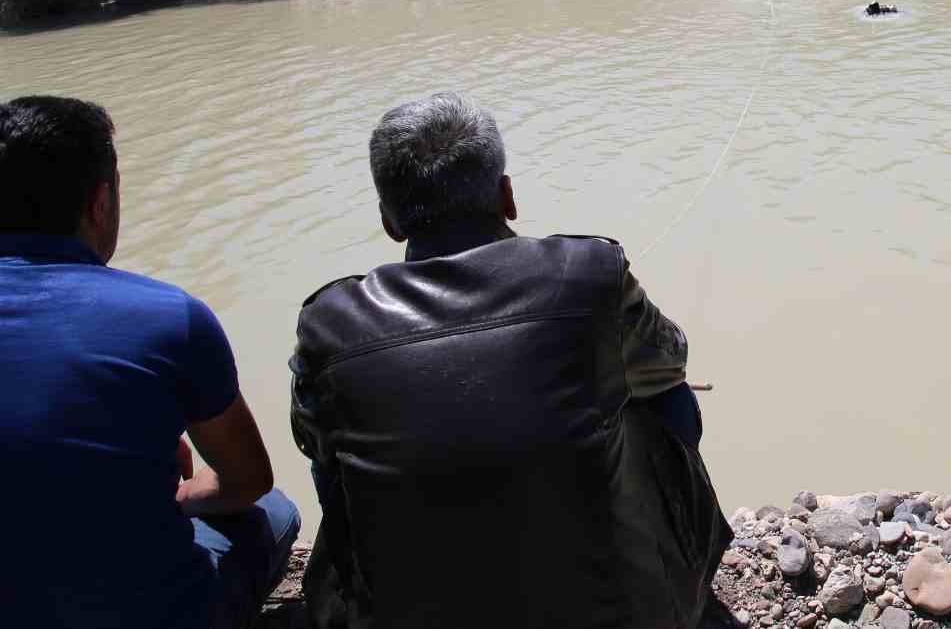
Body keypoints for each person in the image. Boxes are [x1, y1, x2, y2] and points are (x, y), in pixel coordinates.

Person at [290, 92, 729, 629]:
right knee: (661, 399)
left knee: (338, 454)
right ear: (507, 195)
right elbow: (671, 360)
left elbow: (315, 445)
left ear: (389, 221)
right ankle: (680, 577)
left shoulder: (327, 322)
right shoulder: (592, 270)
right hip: (621, 612)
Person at [0, 96, 299, 629]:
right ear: (99, 202)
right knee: (274, 511)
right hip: (149, 612)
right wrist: (175, 492)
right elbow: (247, 479)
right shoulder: (167, 316)